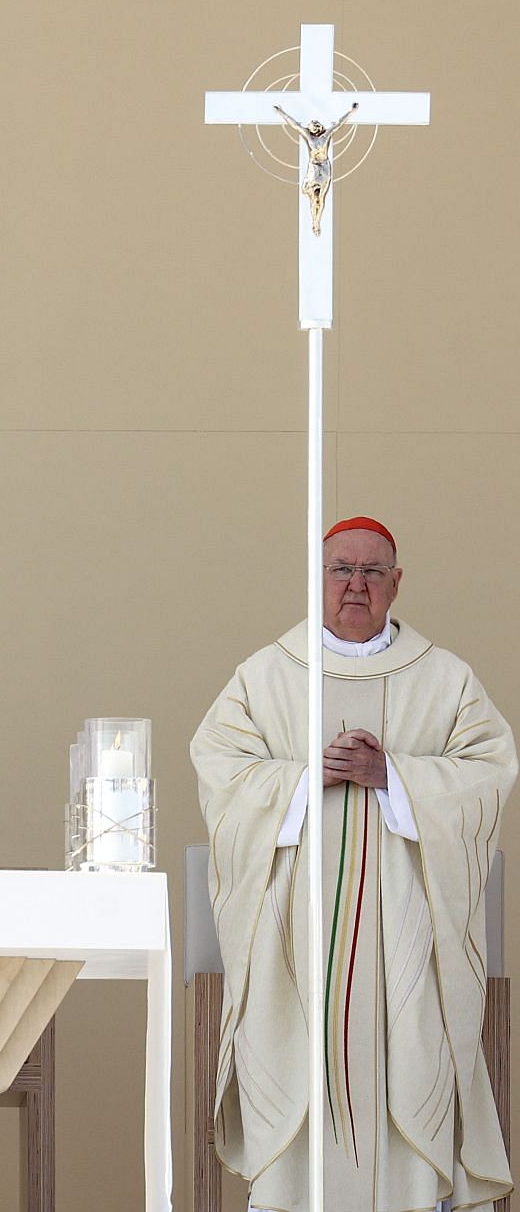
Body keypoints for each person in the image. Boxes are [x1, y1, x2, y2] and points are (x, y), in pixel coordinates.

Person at [192, 516, 513, 1212]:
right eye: (341, 569)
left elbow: (490, 772)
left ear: (398, 583)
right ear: (319, 579)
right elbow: (220, 774)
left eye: (373, 571)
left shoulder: (445, 679)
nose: (356, 585)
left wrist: (392, 774)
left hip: (411, 946)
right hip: (295, 949)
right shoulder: (268, 674)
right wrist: (308, 779)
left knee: (414, 1059)